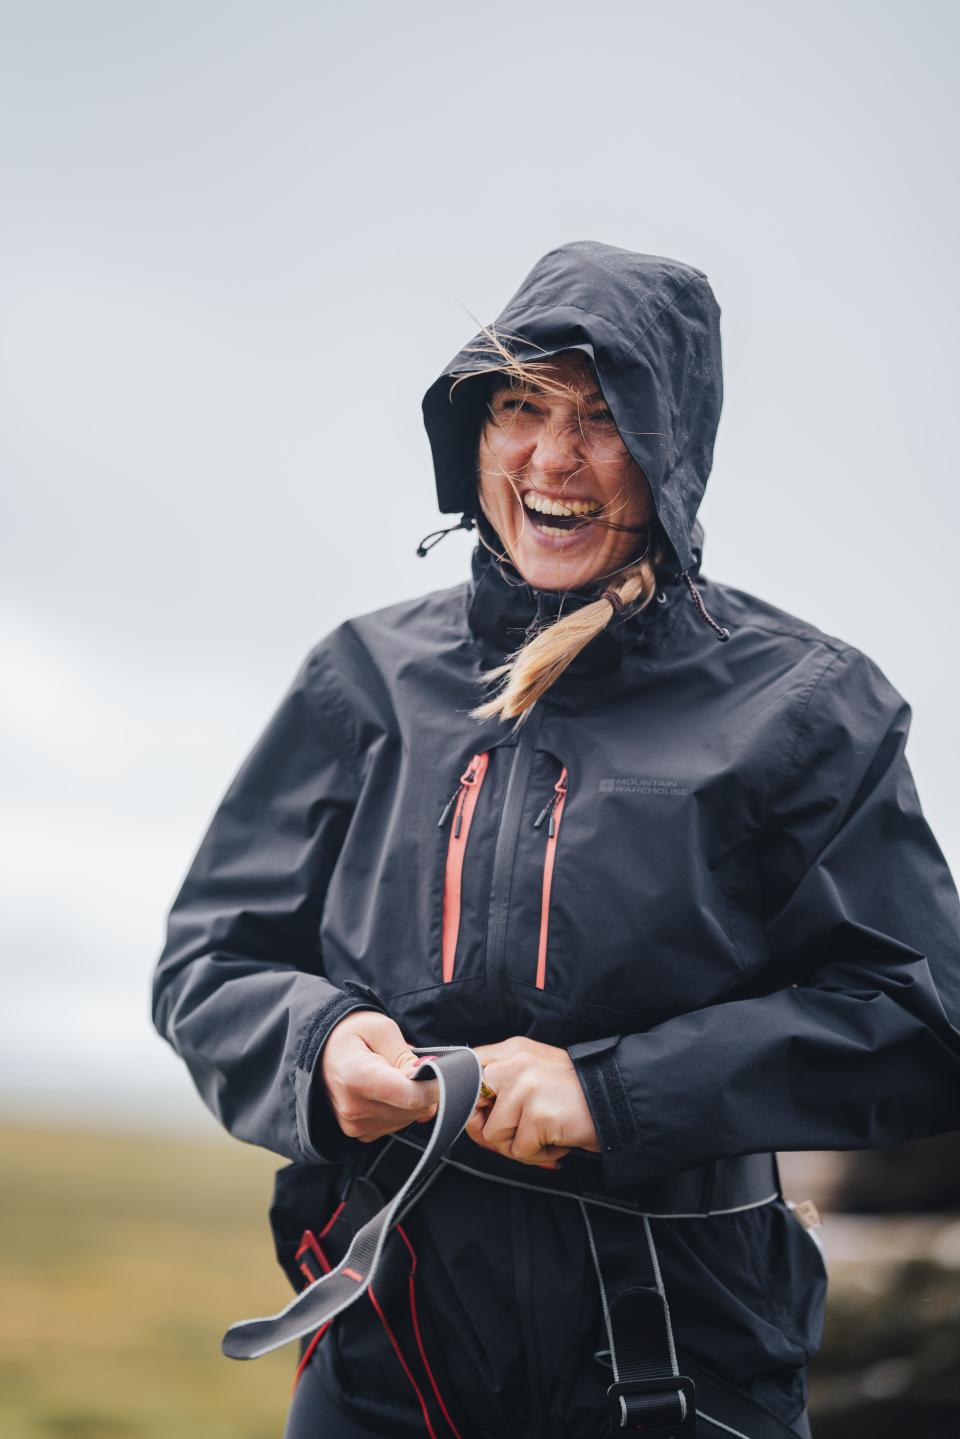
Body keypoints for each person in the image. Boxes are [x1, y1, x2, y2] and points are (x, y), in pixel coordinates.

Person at [152, 241, 960, 1439]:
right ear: (472, 432)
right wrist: (318, 1046)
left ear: (671, 448)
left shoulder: (804, 706)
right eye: (520, 406)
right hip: (391, 1345)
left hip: (683, 1358)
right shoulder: (364, 680)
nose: (551, 457)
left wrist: (615, 1092)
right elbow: (207, 964)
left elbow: (921, 1013)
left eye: (603, 414)